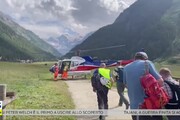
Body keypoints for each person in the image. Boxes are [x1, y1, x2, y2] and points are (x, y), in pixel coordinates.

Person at [123, 52, 163, 120]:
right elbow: (160, 81)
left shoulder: (126, 68)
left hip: (134, 107)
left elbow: (126, 84)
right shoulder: (147, 63)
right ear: (145, 58)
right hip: (149, 105)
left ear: (135, 59)